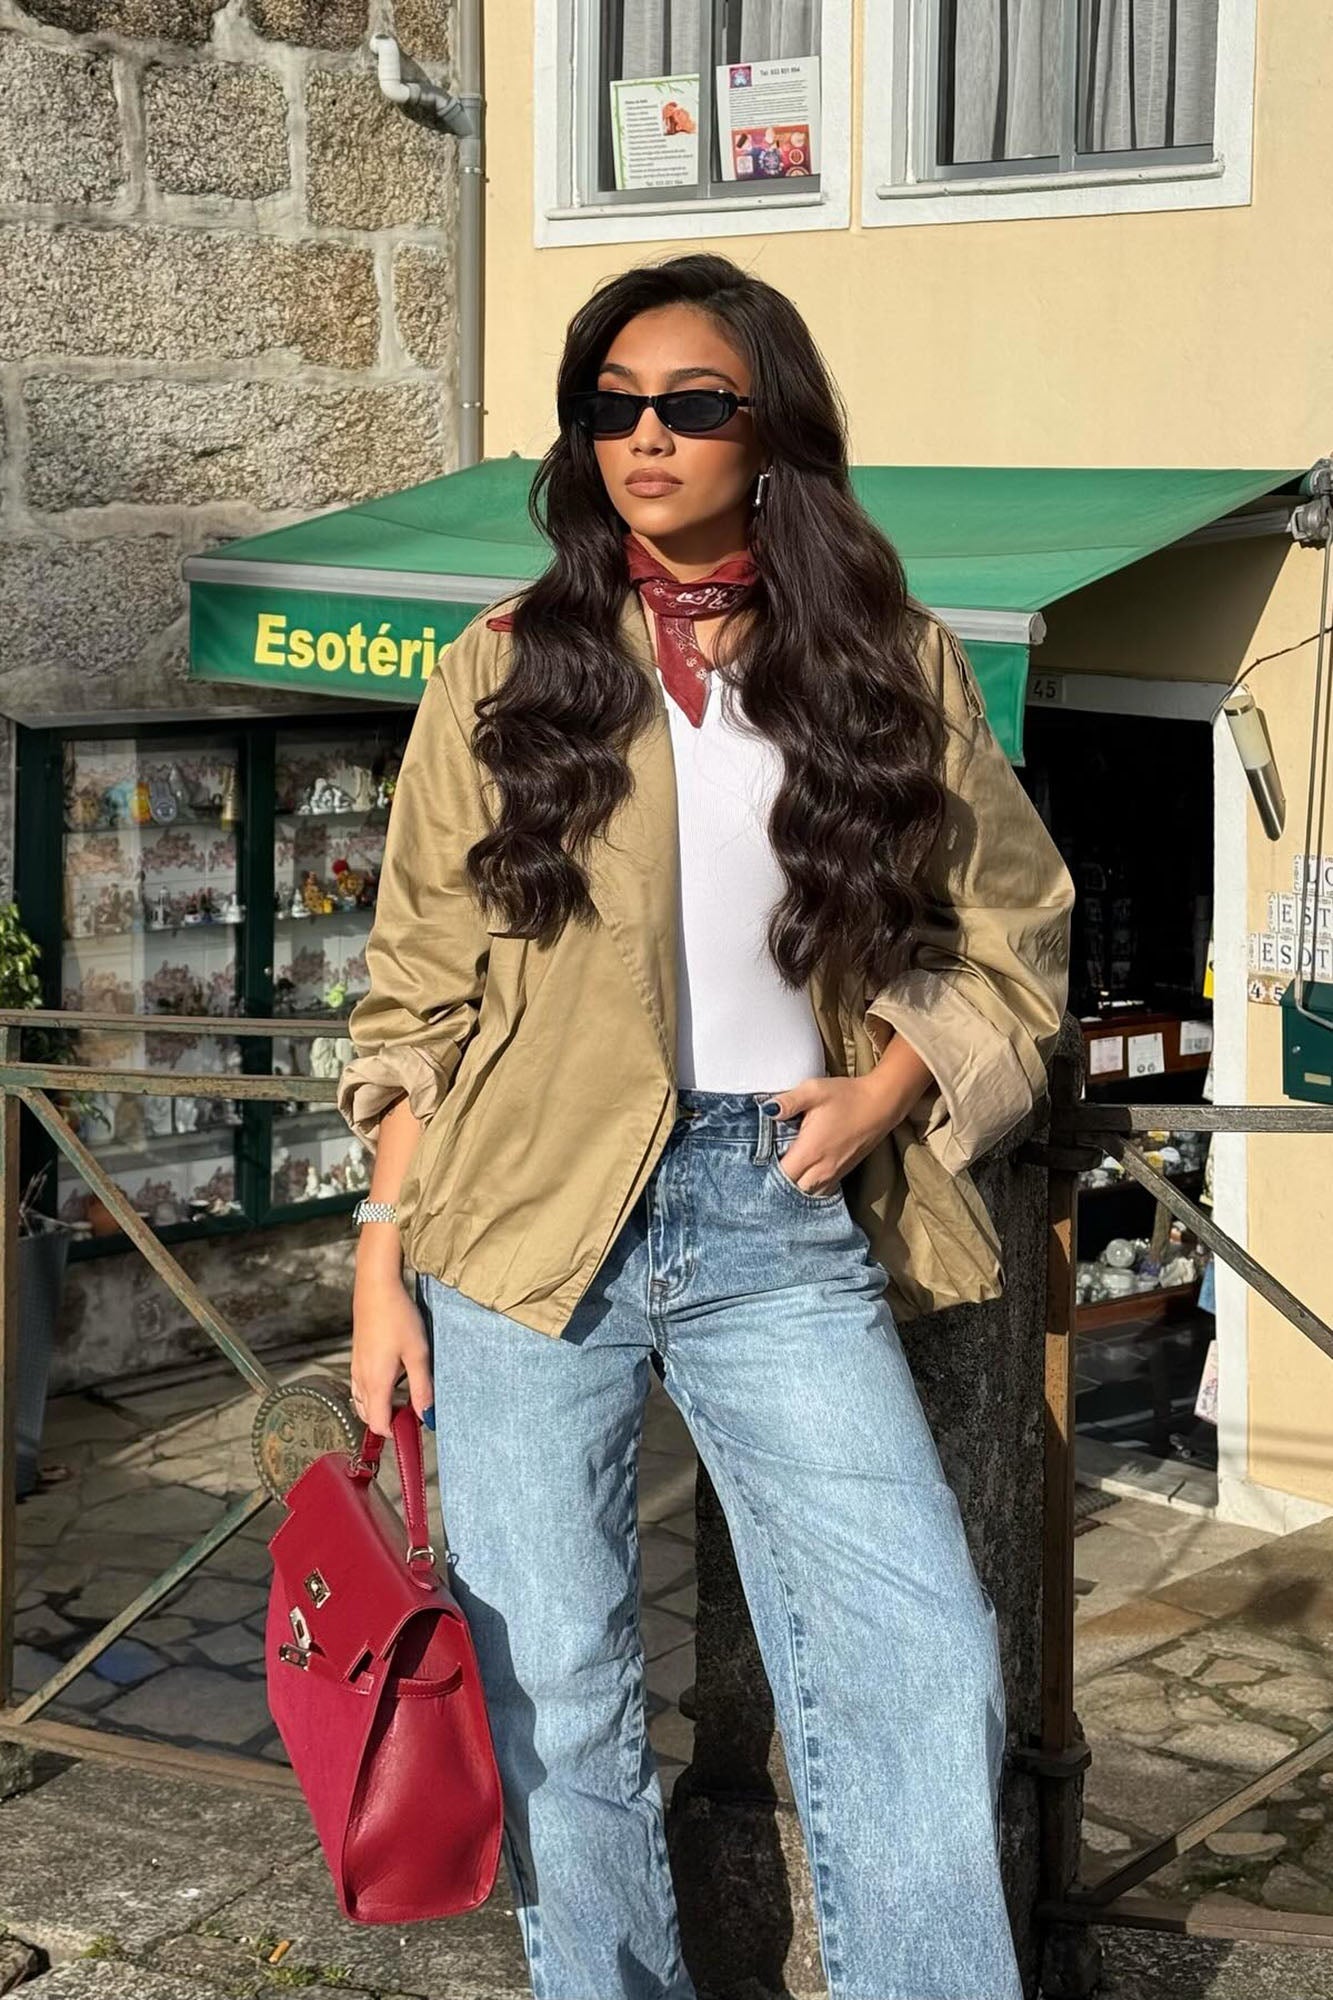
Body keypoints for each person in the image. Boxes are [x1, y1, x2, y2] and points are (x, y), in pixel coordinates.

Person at [336, 251, 1075, 2000]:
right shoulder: (505, 669)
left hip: (777, 1208)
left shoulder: (884, 661)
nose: (644, 436)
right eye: (612, 407)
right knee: (555, 1679)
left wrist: (895, 1079)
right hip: (518, 1228)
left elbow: (1016, 922)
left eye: (689, 404)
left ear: (771, 430)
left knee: (917, 1649)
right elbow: (412, 992)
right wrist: (382, 1268)